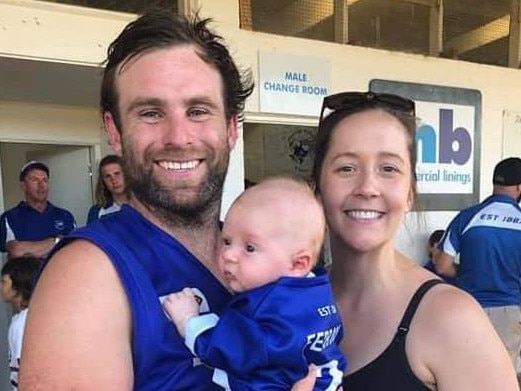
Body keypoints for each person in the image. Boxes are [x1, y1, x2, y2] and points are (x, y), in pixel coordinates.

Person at [19, 11, 314, 391]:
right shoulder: (90, 274)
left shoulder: (259, 256)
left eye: (197, 111)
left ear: (231, 128)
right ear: (115, 131)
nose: (178, 136)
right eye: (151, 113)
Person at [307, 91, 517, 390]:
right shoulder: (295, 300)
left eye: (389, 169)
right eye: (346, 168)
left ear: (409, 194)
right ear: (318, 190)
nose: (367, 187)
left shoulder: (451, 318)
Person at [164, 176, 346, 390]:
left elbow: (230, 350)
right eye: (227, 241)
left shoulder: (273, 308)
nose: (229, 254)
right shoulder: (315, 292)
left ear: (298, 263)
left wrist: (189, 320)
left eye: (250, 248)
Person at [436, 157, 521, 369]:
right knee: (502, 374)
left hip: (468, 306)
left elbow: (442, 265)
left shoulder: (467, 217)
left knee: (466, 371)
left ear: (495, 184)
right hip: (509, 311)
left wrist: (468, 273)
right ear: (519, 187)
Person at [0, 161, 76, 260]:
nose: (41, 185)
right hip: (28, 276)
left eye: (45, 180)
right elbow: (17, 251)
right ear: (23, 185)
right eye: (34, 180)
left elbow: (73, 249)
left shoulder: (65, 216)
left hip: (61, 274)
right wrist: (58, 241)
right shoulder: (10, 217)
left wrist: (30, 251)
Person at [0, 256, 41, 390]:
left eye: (3, 281)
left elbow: (25, 370)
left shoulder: (21, 323)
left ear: (17, 285)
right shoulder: (34, 316)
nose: (1, 286)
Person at [86, 154, 129, 224]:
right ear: (103, 181)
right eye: (108, 176)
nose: (114, 180)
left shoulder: (144, 205)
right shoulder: (97, 212)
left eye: (117, 173)